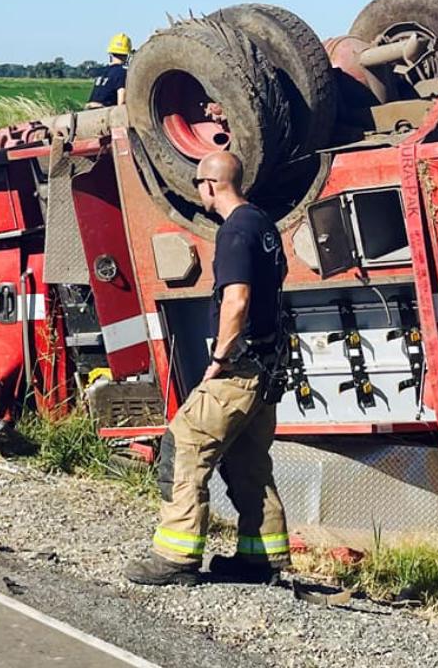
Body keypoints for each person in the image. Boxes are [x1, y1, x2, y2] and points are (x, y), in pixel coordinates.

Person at [126, 150, 290, 586]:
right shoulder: (263, 224)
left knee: (183, 444)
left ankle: (176, 558)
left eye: (199, 183)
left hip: (239, 369)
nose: (198, 191)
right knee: (247, 461)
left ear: (211, 185)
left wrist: (219, 358)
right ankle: (262, 557)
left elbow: (237, 298)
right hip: (267, 370)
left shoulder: (235, 231)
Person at [85, 34, 131, 108]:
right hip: (104, 112)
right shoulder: (123, 72)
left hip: (88, 110)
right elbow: (121, 102)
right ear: (127, 55)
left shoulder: (102, 72)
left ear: (111, 53)